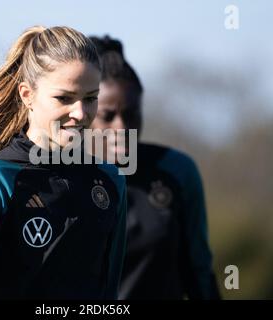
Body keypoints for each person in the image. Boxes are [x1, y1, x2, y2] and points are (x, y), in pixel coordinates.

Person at [0, 26, 127, 300]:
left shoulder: (111, 181)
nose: (81, 112)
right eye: (64, 98)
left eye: (90, 99)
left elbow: (109, 293)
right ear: (27, 95)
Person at [89, 35, 220, 299]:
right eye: (108, 116)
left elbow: (199, 271)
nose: (122, 128)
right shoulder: (56, 177)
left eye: (131, 115)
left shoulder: (177, 171)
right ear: (85, 114)